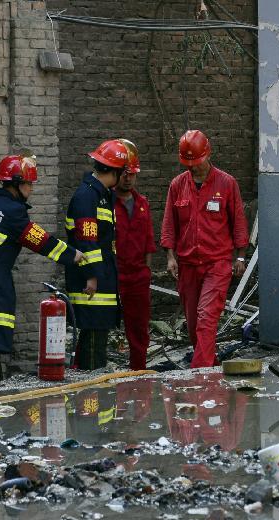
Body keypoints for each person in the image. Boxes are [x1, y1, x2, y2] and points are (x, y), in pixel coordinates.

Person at [0, 154, 84, 381]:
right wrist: (72, 255)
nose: (31, 189)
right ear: (16, 184)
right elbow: (40, 240)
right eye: (29, 184)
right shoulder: (12, 212)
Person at [160, 130, 249, 368]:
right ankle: (210, 359)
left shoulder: (227, 184)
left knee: (206, 317)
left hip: (217, 262)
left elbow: (238, 221)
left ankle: (200, 373)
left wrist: (240, 255)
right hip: (188, 263)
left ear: (207, 154)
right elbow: (169, 222)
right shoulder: (178, 185)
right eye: (189, 163)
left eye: (197, 162)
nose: (194, 168)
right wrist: (170, 256)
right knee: (193, 322)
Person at [65, 139, 129, 370]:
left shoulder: (101, 195)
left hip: (101, 278)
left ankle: (89, 390)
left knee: (96, 334)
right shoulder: (87, 196)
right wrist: (92, 276)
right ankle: (92, 393)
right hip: (91, 283)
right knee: (94, 337)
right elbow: (86, 239)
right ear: (116, 170)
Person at [113, 139, 155, 370]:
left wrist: (146, 271)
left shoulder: (142, 203)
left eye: (132, 175)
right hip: (114, 273)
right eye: (125, 174)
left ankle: (138, 368)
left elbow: (149, 240)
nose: (128, 179)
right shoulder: (105, 202)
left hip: (137, 276)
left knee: (138, 327)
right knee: (100, 323)